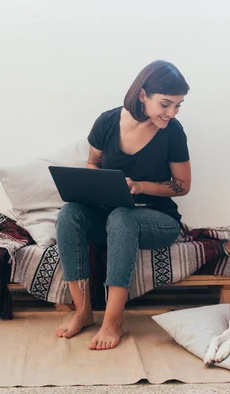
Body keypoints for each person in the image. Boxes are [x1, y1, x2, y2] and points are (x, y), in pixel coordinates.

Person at [54, 60, 192, 350]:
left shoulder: (173, 132)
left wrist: (140, 187)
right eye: (166, 104)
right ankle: (83, 311)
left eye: (178, 106)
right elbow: (93, 162)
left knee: (122, 217)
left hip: (159, 220)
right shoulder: (107, 122)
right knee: (70, 213)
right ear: (142, 95)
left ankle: (113, 319)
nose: (172, 113)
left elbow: (182, 186)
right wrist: (99, 187)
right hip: (110, 213)